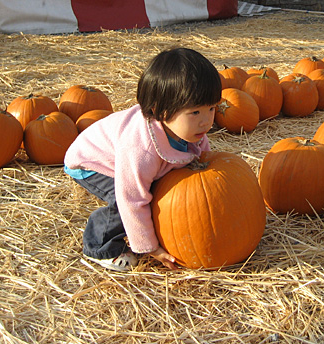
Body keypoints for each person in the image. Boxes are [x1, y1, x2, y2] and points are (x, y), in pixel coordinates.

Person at [64, 47, 222, 271]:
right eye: (195, 112)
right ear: (160, 111)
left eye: (212, 108)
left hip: (118, 156)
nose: (206, 121)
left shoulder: (190, 129)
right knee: (124, 202)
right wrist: (150, 247)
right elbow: (132, 199)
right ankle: (99, 246)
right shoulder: (141, 149)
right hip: (92, 161)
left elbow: (198, 153)